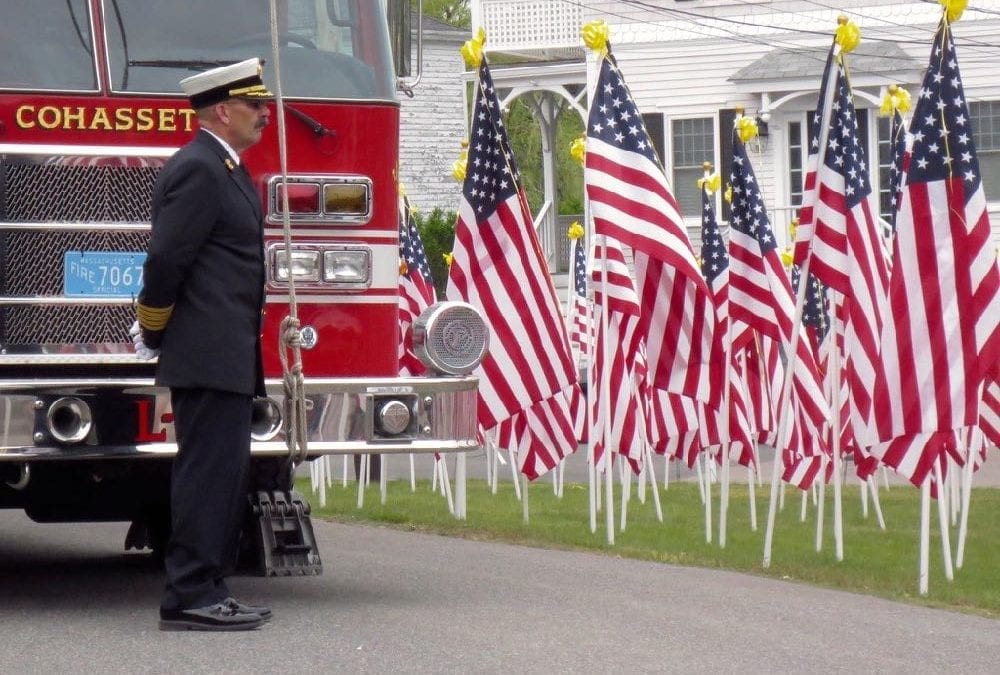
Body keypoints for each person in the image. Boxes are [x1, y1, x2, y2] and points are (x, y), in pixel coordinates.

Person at [131, 57, 273, 632]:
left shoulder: (227, 168)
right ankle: (189, 593)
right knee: (206, 473)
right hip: (206, 351)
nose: (264, 114)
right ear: (222, 110)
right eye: (254, 105)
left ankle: (209, 586)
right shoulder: (199, 169)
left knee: (224, 474)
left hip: (227, 351)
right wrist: (154, 325)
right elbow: (167, 259)